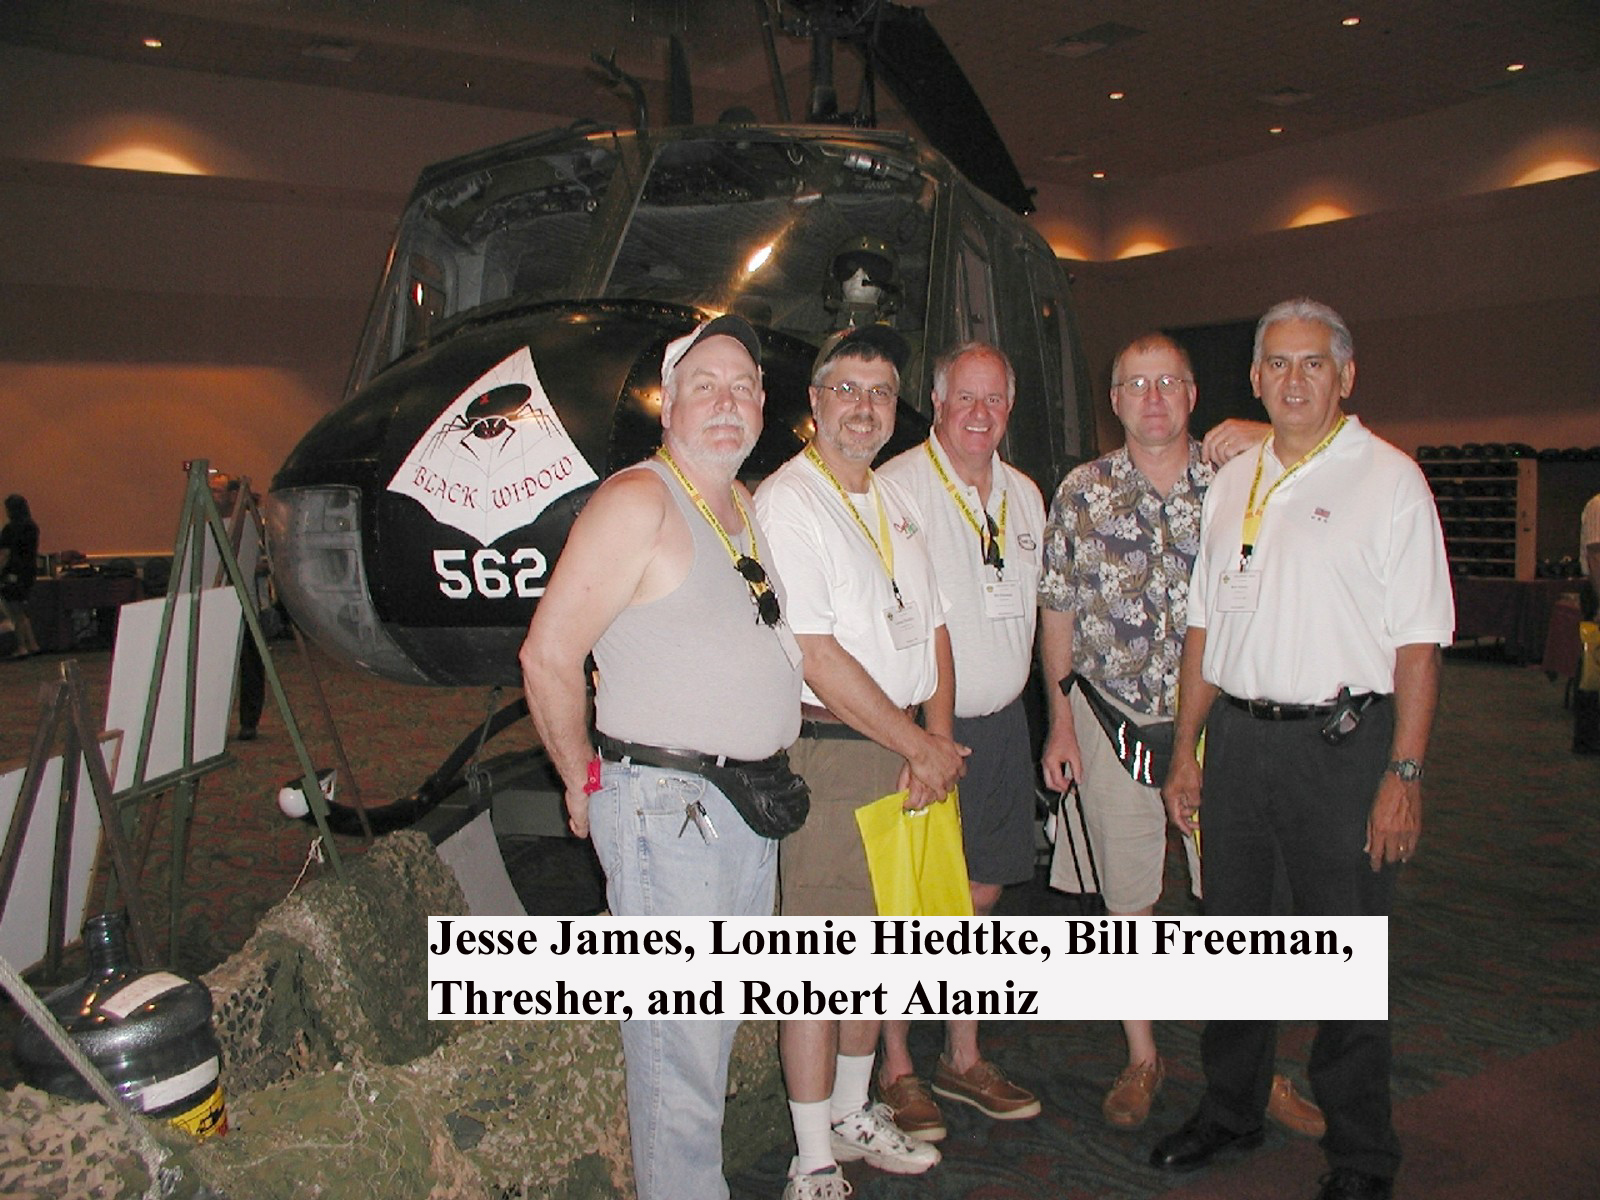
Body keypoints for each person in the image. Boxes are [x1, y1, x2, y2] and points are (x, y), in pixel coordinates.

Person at [1153, 298, 1454, 1200]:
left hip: (1343, 749)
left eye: (1312, 363)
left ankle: (1362, 1153)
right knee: (1232, 941)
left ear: (1345, 376)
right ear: (1254, 378)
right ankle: (1232, 1109)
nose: (1293, 380)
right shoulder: (1232, 482)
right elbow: (1204, 626)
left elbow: (1419, 646)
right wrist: (1186, 748)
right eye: (1277, 364)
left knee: (1345, 960)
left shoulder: (1390, 480)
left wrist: (1405, 774)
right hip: (1239, 744)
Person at [519, 315, 805, 1200]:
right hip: (667, 813)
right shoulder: (639, 501)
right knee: (676, 1052)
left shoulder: (741, 505)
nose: (727, 402)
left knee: (707, 1036)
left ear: (763, 404)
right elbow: (548, 653)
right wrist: (581, 777)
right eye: (704, 385)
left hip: (744, 805)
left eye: (742, 387)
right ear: (667, 403)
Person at [1038, 334, 1284, 1131]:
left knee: (1236, 899)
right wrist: (1060, 723)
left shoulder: (1239, 482)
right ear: (1113, 401)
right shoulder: (1081, 492)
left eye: (1167, 382)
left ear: (1192, 395)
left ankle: (1256, 1067)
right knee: (1127, 902)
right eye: (1135, 384)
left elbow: (1324, 451)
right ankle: (1142, 1055)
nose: (1152, 398)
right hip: (1110, 719)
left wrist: (1263, 432)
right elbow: (1057, 611)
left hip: (1220, 726)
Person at [755, 324, 958, 1197]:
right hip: (834, 751)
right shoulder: (789, 501)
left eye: (879, 392)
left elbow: (934, 626)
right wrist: (918, 744)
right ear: (814, 402)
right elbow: (815, 652)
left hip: (905, 751)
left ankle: (849, 1111)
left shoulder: (895, 497)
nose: (864, 408)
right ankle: (810, 1157)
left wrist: (934, 741)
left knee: (877, 950)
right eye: (846, 390)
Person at [874, 341, 1043, 1139]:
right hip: (922, 730)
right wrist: (918, 741)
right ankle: (896, 1065)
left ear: (1009, 408)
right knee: (909, 904)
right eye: (965, 398)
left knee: (981, 896)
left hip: (1003, 727)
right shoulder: (898, 488)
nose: (980, 413)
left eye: (994, 399)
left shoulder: (1026, 495)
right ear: (936, 404)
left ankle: (962, 1055)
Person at [1, 494, 41, 659]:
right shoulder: (32, 527)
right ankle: (33, 644)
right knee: (22, 612)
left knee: (14, 612)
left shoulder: (10, 529)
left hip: (12, 573)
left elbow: (5, 554)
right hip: (28, 572)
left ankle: (22, 646)